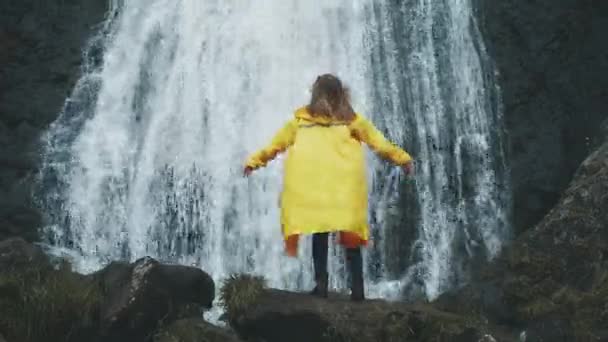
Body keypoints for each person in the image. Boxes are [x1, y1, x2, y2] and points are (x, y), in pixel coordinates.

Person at [243, 74, 413, 301]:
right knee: (350, 239)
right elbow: (379, 143)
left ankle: (321, 286)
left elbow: (275, 146)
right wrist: (403, 159)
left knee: (319, 236)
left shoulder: (301, 123)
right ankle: (358, 291)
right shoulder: (352, 121)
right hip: (345, 191)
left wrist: (253, 162)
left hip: (316, 190)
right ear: (341, 95)